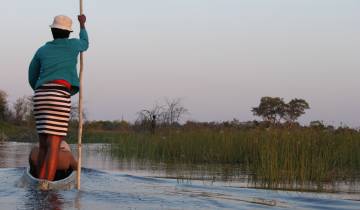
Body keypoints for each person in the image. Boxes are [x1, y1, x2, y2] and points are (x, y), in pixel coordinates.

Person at [28, 14, 89, 181]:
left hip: (40, 95)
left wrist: (41, 89)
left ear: (52, 31)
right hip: (59, 94)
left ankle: (40, 180)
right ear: (69, 33)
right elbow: (85, 43)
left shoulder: (42, 50)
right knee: (54, 146)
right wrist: (82, 25)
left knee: (43, 146)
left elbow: (32, 74)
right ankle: (46, 184)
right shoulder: (73, 45)